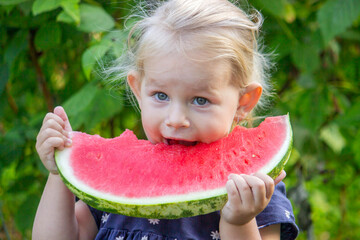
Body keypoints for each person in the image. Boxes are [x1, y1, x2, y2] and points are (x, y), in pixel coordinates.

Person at [33, 0, 298, 239]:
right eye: (161, 95)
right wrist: (60, 174)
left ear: (244, 101)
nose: (176, 119)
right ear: (138, 91)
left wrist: (239, 221)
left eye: (200, 100)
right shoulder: (120, 179)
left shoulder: (257, 190)